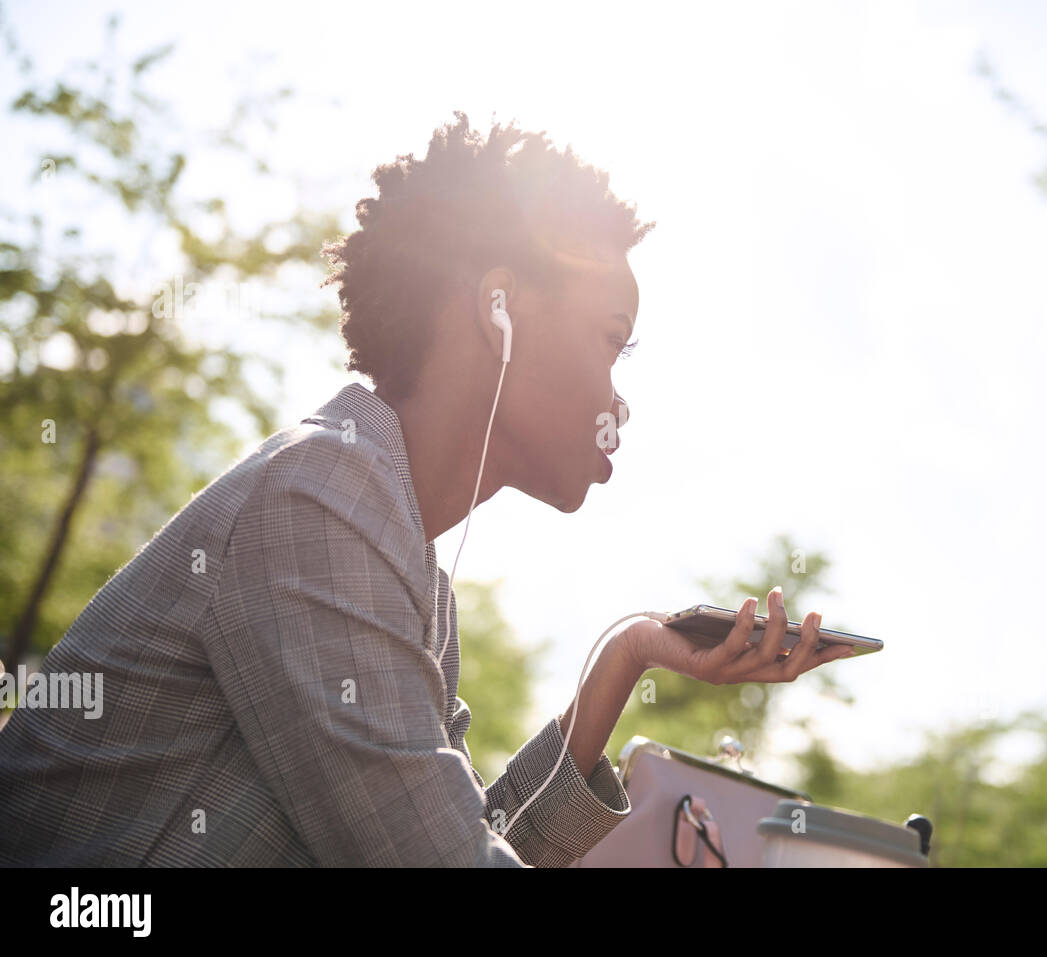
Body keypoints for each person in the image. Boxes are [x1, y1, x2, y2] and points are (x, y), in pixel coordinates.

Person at [0, 112, 855, 867]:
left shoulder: (407, 581)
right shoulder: (320, 498)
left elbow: (471, 836)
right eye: (611, 339)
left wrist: (625, 654)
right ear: (501, 311)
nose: (619, 398)